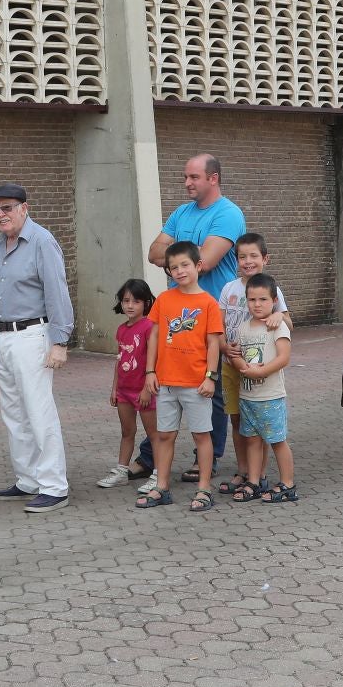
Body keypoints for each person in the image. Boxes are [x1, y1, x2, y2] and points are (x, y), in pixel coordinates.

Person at [145, 154, 245, 481]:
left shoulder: (228, 214)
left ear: (213, 178)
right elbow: (153, 252)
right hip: (177, 314)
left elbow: (208, 261)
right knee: (171, 382)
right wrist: (185, 257)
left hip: (211, 313)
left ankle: (209, 457)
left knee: (209, 385)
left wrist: (178, 255)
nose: (187, 183)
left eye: (194, 177)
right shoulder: (181, 212)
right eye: (185, 177)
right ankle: (153, 455)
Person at [0, 183, 73, 515]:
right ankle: (28, 480)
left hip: (34, 335)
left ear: (24, 207)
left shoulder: (42, 241)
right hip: (5, 337)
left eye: (7, 208)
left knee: (38, 411)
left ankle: (54, 486)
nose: (0, 215)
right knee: (14, 413)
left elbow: (57, 291)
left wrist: (60, 342)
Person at [135, 242, 223, 510]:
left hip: (196, 384)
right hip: (165, 382)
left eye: (185, 265)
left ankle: (204, 489)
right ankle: (161, 487)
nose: (180, 271)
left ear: (198, 266)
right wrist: (150, 371)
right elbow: (155, 337)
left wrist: (210, 376)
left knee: (201, 436)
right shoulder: (164, 300)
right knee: (164, 436)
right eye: (174, 267)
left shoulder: (208, 303)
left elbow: (213, 344)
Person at [217, 233, 283, 496]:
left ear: (265, 259)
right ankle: (243, 471)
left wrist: (279, 315)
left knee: (258, 422)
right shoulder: (228, 289)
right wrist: (223, 346)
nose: (248, 261)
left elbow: (287, 322)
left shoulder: (271, 289)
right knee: (237, 420)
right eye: (242, 257)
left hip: (259, 370)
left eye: (254, 256)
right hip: (230, 366)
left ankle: (261, 474)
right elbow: (218, 326)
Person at [225, 274, 295, 504]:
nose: (257, 304)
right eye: (252, 299)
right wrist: (241, 364)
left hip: (270, 396)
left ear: (274, 300)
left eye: (263, 299)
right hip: (248, 397)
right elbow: (237, 355)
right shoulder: (244, 328)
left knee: (277, 440)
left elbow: (284, 358)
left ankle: (287, 483)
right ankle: (254, 481)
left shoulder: (277, 326)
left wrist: (261, 372)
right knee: (252, 440)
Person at [97, 279, 156, 489]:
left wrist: (146, 389)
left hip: (144, 391)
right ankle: (121, 470)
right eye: (126, 300)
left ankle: (159, 474)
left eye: (136, 301)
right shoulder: (122, 329)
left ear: (146, 302)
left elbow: (153, 360)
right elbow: (120, 360)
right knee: (127, 431)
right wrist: (114, 388)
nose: (130, 305)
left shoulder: (150, 327)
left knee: (154, 434)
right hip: (124, 391)